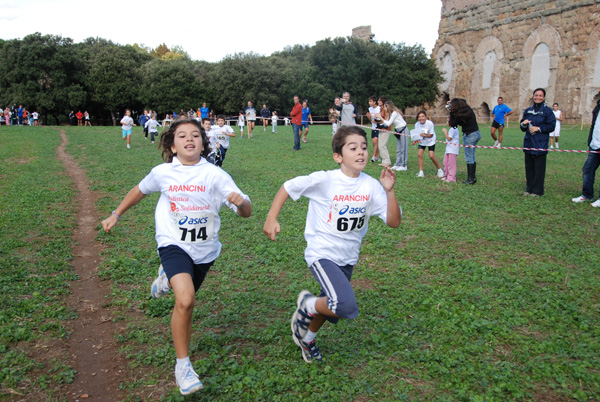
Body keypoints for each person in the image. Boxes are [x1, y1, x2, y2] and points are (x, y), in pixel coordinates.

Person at [101, 119, 251, 395]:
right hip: (172, 243)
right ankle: (183, 366)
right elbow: (139, 191)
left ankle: (166, 278)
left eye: (196, 135)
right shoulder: (163, 173)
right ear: (172, 145)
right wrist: (116, 214)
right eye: (182, 135)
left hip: (206, 251)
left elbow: (246, 210)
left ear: (204, 143)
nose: (190, 139)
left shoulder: (215, 175)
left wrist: (242, 203)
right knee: (186, 300)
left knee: (185, 291)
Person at [263, 125, 401, 363]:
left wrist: (389, 191)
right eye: (353, 147)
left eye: (364, 147)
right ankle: (306, 305)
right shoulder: (326, 180)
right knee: (343, 304)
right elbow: (288, 186)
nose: (361, 152)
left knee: (329, 305)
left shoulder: (370, 186)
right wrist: (271, 218)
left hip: (348, 257)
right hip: (322, 254)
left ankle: (307, 339)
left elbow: (393, 222)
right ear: (338, 156)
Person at [520, 88, 556, 196]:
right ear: (533, 96)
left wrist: (538, 128)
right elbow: (522, 127)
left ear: (544, 97)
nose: (538, 97)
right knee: (529, 167)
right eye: (536, 95)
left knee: (539, 169)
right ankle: (529, 189)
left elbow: (551, 126)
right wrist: (524, 124)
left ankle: (537, 191)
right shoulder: (528, 110)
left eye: (540, 95)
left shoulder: (547, 111)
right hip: (529, 143)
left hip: (540, 143)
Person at [572, 99, 600, 207]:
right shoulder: (597, 108)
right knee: (587, 170)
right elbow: (594, 126)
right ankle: (587, 195)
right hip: (595, 145)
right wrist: (590, 141)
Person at [448, 98, 482, 184]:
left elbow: (452, 124)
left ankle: (470, 179)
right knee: (472, 156)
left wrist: (450, 111)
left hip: (469, 135)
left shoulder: (460, 115)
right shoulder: (468, 109)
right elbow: (463, 100)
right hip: (477, 133)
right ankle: (473, 178)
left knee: (469, 157)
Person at [378, 101, 408, 171]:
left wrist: (380, 117)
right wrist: (380, 125)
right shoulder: (390, 114)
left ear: (388, 106)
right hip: (397, 130)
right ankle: (397, 164)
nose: (384, 108)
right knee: (399, 149)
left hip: (403, 130)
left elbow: (388, 124)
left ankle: (404, 165)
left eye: (385, 107)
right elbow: (386, 123)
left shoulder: (394, 113)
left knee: (403, 148)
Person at [413, 111, 444, 178]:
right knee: (419, 155)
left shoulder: (430, 123)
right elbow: (416, 134)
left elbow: (431, 135)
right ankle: (421, 172)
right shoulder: (417, 124)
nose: (421, 118)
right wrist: (415, 138)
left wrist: (424, 135)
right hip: (422, 141)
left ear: (425, 117)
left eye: (422, 116)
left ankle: (440, 170)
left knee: (431, 156)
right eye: (419, 117)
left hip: (430, 141)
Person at [366, 96, 381, 163]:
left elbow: (381, 119)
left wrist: (376, 120)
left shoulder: (379, 109)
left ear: (374, 102)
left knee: (376, 141)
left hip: (378, 127)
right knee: (374, 143)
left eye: (371, 101)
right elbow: (371, 120)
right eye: (369, 101)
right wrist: (369, 117)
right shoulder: (370, 109)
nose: (369, 103)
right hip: (373, 127)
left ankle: (373, 156)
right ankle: (377, 157)